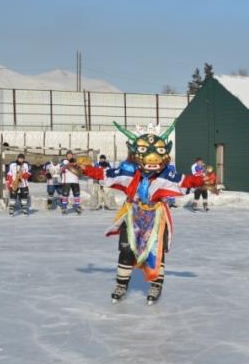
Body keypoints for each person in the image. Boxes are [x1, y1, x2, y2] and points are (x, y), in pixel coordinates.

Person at [81, 122, 205, 305]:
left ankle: (156, 285)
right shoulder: (128, 171)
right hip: (132, 215)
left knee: (156, 252)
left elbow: (185, 182)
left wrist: (202, 179)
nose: (152, 161)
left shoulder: (167, 174)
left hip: (156, 217)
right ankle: (121, 285)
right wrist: (87, 169)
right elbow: (106, 174)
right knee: (126, 250)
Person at [60, 150, 83, 215]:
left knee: (76, 194)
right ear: (66, 156)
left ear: (72, 155)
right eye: (68, 155)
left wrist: (79, 166)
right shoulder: (63, 161)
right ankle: (64, 207)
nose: (69, 156)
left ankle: (77, 206)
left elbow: (80, 171)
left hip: (75, 181)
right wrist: (70, 164)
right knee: (65, 195)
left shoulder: (76, 162)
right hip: (66, 181)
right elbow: (62, 169)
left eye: (71, 155)